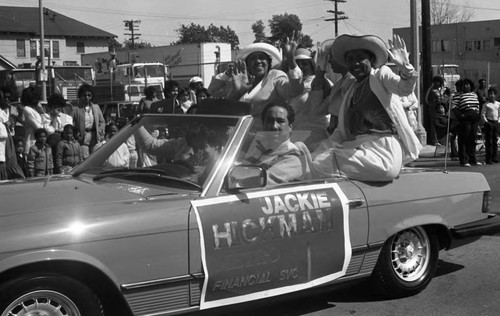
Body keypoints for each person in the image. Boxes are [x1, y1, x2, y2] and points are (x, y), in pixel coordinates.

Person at [312, 34, 422, 182]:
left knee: (387, 170)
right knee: (317, 163)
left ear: (370, 59)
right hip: (355, 147)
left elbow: (403, 89)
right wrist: (326, 147)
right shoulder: (351, 89)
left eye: (359, 58)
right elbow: (341, 128)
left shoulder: (381, 75)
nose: (355, 63)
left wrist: (405, 67)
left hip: (384, 148)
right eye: (350, 60)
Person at [216, 42, 302, 129]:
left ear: (268, 62)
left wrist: (291, 61)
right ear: (247, 64)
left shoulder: (275, 76)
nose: (258, 61)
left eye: (262, 58)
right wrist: (237, 93)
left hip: (266, 135)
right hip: (239, 136)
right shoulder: (239, 79)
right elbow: (216, 97)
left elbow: (294, 91)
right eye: (253, 59)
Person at [243, 103, 303, 185]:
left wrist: (234, 179)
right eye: (269, 121)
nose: (274, 126)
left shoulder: (292, 158)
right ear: (263, 125)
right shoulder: (257, 147)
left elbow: (262, 182)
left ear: (290, 127)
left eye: (280, 121)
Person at [287, 48, 329, 151]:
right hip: (296, 137)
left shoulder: (322, 83)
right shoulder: (287, 86)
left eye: (305, 63)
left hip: (317, 139)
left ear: (312, 65)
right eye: (297, 63)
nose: (300, 67)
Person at [452, 78, 481, 167]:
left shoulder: (474, 94)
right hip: (465, 118)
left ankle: (473, 159)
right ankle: (464, 160)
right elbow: (454, 107)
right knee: (464, 138)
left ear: (470, 86)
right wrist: (461, 116)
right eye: (464, 85)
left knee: (473, 138)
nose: (466, 86)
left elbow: (477, 105)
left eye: (468, 84)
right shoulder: (458, 95)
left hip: (474, 118)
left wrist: (477, 115)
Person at [71, 83, 105, 159]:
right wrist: (75, 133)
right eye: (84, 95)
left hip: (95, 136)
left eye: (89, 95)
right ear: (80, 96)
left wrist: (100, 131)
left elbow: (102, 121)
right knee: (84, 159)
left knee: (95, 158)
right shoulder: (76, 109)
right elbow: (70, 123)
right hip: (83, 138)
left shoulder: (96, 107)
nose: (87, 97)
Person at [425, 76, 450, 146]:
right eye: (435, 82)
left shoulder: (444, 89)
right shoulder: (431, 89)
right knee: (434, 125)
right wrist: (433, 105)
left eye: (438, 82)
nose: (437, 83)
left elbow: (448, 98)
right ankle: (434, 140)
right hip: (434, 110)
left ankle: (443, 140)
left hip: (443, 110)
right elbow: (427, 100)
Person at [19, 86, 44, 154]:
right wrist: (42, 113)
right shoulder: (27, 110)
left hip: (37, 143)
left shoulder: (34, 110)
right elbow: (39, 127)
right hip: (31, 144)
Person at [480, 87, 500, 164]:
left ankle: (494, 157)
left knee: (495, 140)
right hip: (489, 122)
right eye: (489, 94)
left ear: (495, 95)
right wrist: (486, 122)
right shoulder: (486, 104)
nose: (491, 95)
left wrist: (498, 121)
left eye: (492, 94)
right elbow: (483, 114)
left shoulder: (498, 104)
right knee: (489, 141)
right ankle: (488, 158)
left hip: (496, 122)